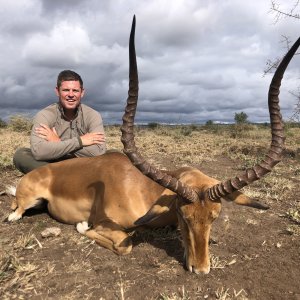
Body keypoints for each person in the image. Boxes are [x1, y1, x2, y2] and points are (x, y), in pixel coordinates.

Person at [13, 70, 106, 174]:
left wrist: (59, 142)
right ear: (57, 91)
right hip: (54, 162)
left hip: (84, 164)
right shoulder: (45, 115)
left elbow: (99, 151)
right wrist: (80, 142)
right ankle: (71, 179)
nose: (71, 95)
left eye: (75, 90)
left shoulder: (93, 115)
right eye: (66, 90)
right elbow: (39, 151)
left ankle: (59, 180)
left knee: (114, 155)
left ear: (82, 92)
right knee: (21, 155)